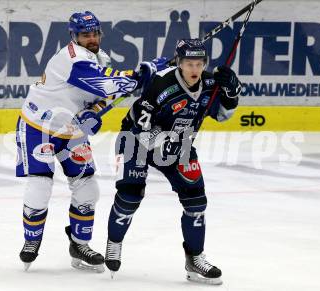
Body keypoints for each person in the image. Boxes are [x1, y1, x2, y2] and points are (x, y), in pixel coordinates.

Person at [15, 10, 163, 272]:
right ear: (74, 36)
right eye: (85, 34)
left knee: (87, 188)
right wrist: (140, 74)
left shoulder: (100, 57)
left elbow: (101, 97)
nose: (92, 38)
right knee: (40, 187)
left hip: (72, 131)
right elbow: (104, 83)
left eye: (95, 33)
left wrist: (93, 113)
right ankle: (31, 242)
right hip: (39, 127)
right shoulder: (71, 59)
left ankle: (79, 244)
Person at [104, 38, 242, 284]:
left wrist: (231, 94)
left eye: (199, 64)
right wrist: (162, 140)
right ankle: (114, 242)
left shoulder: (210, 84)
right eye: (189, 63)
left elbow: (222, 115)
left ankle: (195, 259)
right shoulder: (162, 83)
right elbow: (139, 123)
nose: (194, 70)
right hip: (137, 140)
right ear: (179, 63)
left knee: (196, 203)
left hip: (180, 144)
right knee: (130, 196)